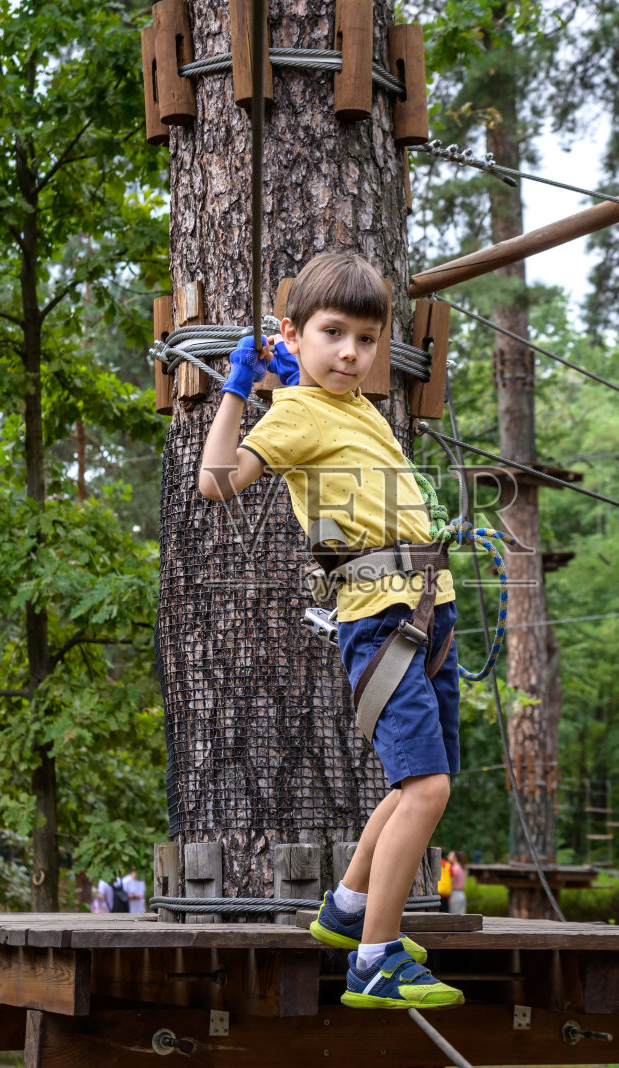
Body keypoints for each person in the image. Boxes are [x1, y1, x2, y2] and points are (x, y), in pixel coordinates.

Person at [198, 251, 463, 1011]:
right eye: (333, 334)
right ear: (296, 331)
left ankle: (347, 912)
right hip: (380, 616)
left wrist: (289, 364)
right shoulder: (296, 413)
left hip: (425, 605)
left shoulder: (351, 405)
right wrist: (239, 389)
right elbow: (219, 485)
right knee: (427, 786)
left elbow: (326, 409)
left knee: (419, 778)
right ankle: (376, 961)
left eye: (367, 340)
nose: (351, 353)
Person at [445, 850, 467, 915]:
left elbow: (451, 882)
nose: (448, 857)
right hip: (462, 894)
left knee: (454, 915)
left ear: (455, 858)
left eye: (451, 855)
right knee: (462, 915)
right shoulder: (463, 868)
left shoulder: (454, 869)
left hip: (455, 894)